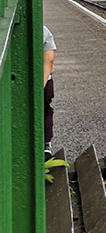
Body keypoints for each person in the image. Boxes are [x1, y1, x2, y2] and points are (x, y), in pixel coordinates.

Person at [43, 25, 56, 160]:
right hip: (45, 81)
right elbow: (50, 61)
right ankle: (45, 145)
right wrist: (42, 84)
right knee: (45, 111)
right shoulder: (43, 30)